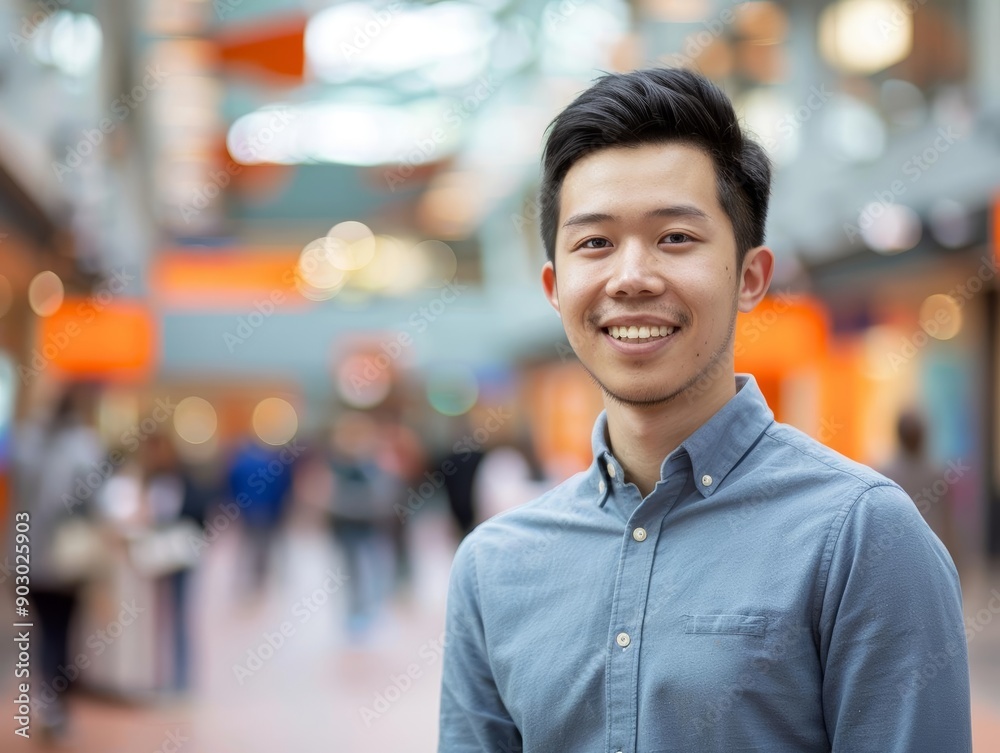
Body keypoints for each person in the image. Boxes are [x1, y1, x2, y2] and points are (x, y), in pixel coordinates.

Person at [438, 68, 971, 752]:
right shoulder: (494, 565)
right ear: (554, 284)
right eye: (594, 242)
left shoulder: (861, 537)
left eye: (676, 238)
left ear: (751, 276)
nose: (631, 276)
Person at [879, 409, 962, 570]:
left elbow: (948, 522)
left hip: (905, 554)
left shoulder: (885, 473)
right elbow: (948, 524)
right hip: (927, 554)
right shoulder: (937, 473)